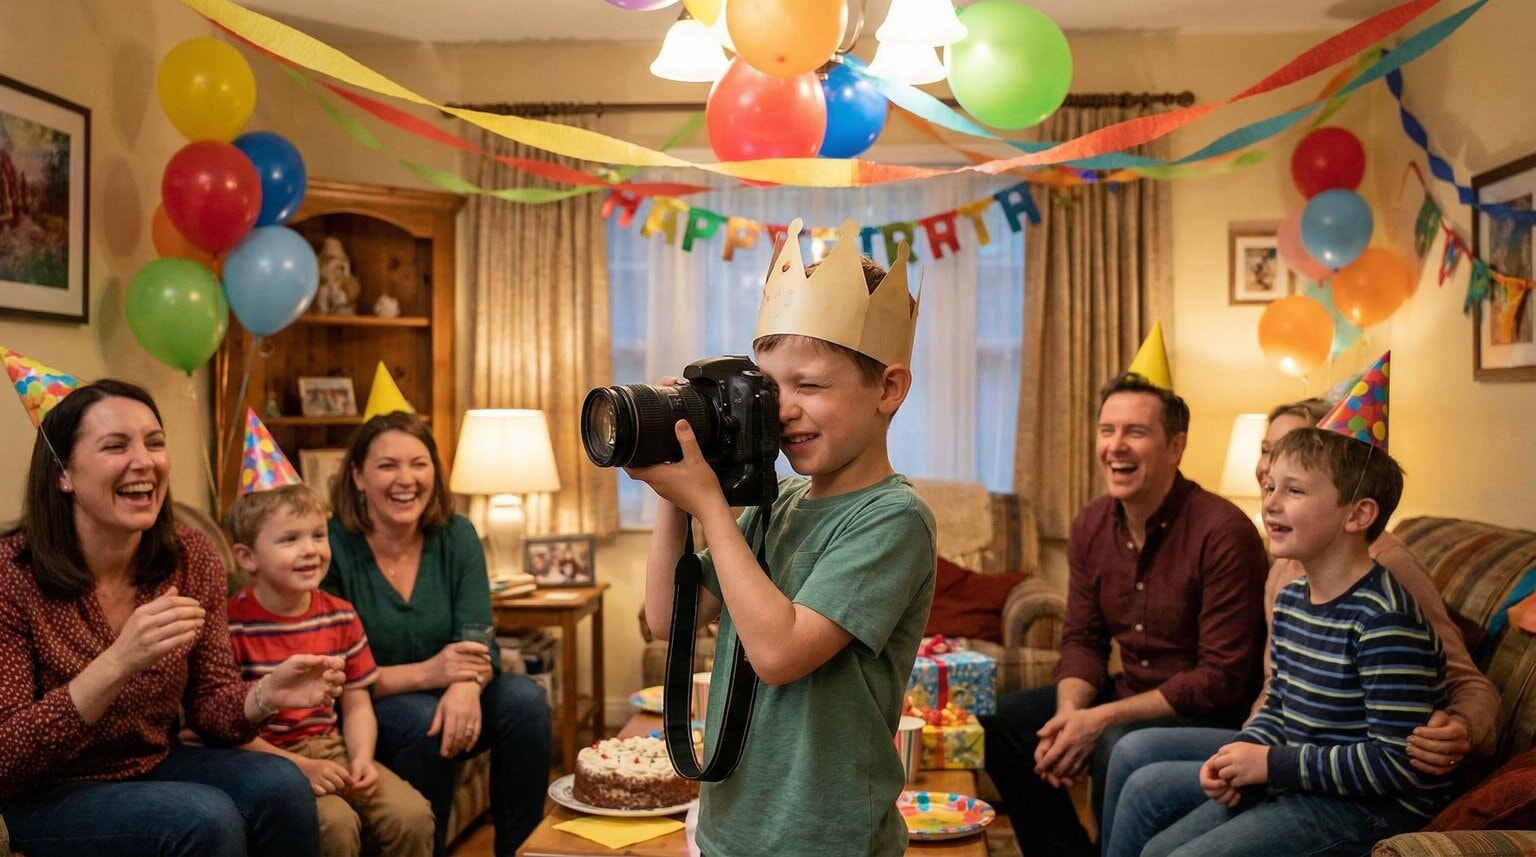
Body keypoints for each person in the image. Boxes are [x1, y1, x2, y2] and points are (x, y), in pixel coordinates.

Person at [628, 219, 936, 856]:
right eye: (769, 389)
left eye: (811, 385)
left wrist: (709, 504)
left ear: (889, 388)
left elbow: (779, 653)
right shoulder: (780, 502)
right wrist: (675, 486)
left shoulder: (892, 518)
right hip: (730, 828)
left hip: (827, 838)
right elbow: (666, 618)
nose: (783, 410)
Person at [1099, 398, 1498, 857]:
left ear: (1357, 515)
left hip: (1373, 805)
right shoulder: (1291, 597)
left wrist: (1272, 763)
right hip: (1305, 776)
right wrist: (1245, 750)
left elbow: (1395, 762)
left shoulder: (1384, 620)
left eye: (1294, 491)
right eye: (1270, 486)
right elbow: (1280, 700)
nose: (1269, 503)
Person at [0, 377, 345, 857]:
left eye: (155, 442)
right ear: (63, 473)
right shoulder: (11, 575)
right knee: (202, 819)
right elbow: (7, 755)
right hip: (43, 791)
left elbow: (210, 706)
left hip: (153, 762)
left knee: (281, 784)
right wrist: (117, 662)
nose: (144, 461)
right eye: (115, 445)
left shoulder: (189, 555)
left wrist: (265, 695)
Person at [979, 371, 1270, 857]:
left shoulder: (1224, 532)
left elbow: (1219, 679)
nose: (1116, 446)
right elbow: (1083, 639)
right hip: (1129, 692)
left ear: (1175, 447)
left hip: (1206, 712)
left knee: (1115, 741)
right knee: (1005, 721)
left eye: (1136, 432)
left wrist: (1098, 721)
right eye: (1106, 430)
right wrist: (1071, 716)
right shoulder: (1092, 522)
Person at [323, 410, 551, 857]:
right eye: (387, 465)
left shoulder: (457, 533)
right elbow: (337, 673)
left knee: (526, 702)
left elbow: (476, 633)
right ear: (357, 477)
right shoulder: (330, 546)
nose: (405, 479)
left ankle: (520, 850)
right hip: (369, 706)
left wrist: (465, 684)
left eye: (418, 463)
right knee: (423, 721)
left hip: (452, 687)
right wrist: (430, 674)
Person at [226, 473, 434, 857]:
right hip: (267, 759)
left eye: (318, 535)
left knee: (412, 815)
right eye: (290, 539)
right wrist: (298, 765)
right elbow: (221, 729)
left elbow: (356, 704)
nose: (311, 550)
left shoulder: (341, 615)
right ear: (246, 556)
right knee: (335, 824)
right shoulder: (231, 625)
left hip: (334, 749)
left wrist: (361, 760)